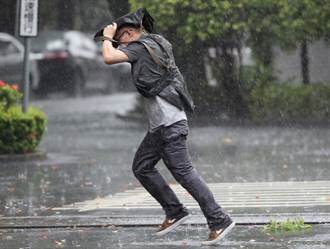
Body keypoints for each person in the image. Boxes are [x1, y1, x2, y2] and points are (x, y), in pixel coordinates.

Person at [95, 8, 235, 244]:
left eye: (121, 41)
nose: (120, 47)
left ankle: (219, 219)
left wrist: (108, 37)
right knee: (142, 166)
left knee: (185, 174)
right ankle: (174, 210)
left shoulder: (140, 46)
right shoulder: (157, 42)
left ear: (128, 34)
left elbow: (108, 58)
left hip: (169, 124)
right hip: (161, 126)